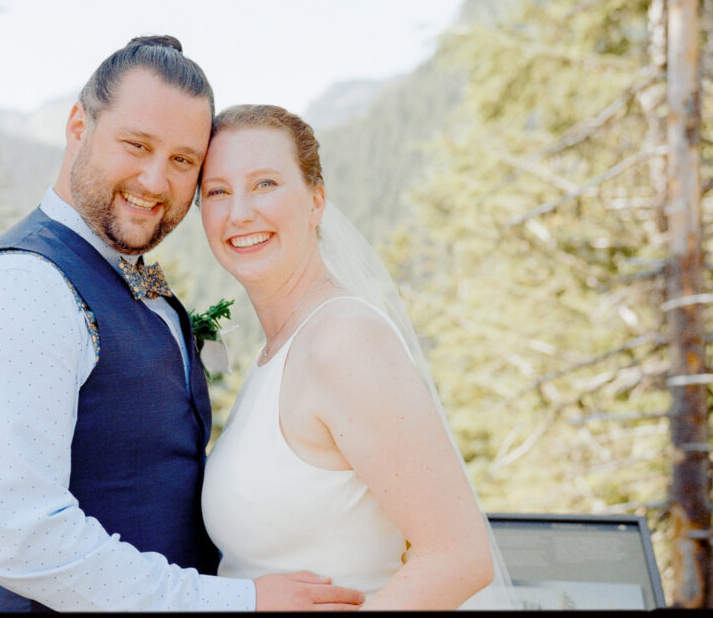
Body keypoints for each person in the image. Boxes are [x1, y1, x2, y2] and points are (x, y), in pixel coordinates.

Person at [0, 37, 366, 612]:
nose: (156, 182)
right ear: (79, 126)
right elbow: (22, 539)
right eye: (136, 145)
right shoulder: (17, 287)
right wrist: (239, 602)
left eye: (183, 160)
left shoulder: (129, 282)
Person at [198, 105, 518, 610]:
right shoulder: (278, 350)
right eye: (217, 191)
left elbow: (458, 557)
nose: (239, 212)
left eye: (265, 184)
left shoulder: (343, 340)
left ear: (316, 201)